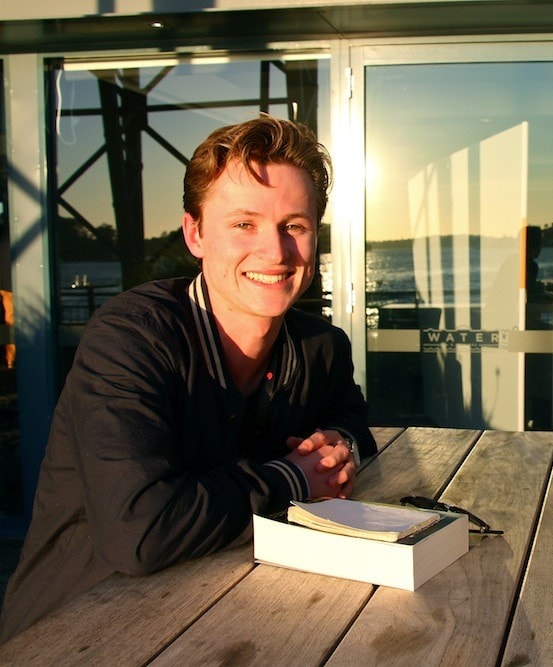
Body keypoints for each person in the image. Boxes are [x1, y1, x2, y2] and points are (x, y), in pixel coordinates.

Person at [0, 115, 376, 642]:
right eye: (244, 224)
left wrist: (340, 449)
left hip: (226, 618)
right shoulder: (133, 338)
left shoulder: (319, 346)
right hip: (78, 628)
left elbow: (356, 425)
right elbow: (143, 529)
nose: (274, 251)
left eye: (294, 225)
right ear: (195, 233)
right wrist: (294, 478)